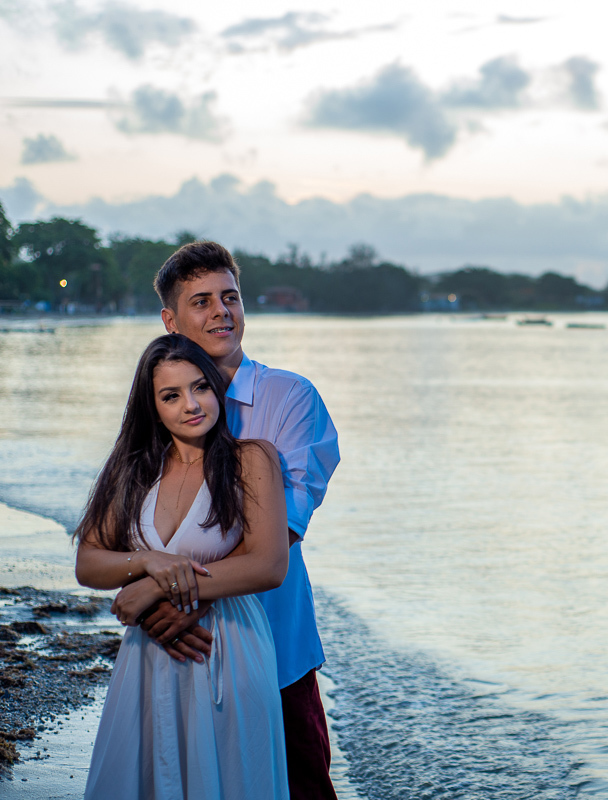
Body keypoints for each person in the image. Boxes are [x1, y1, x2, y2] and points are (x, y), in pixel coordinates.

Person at [139, 241, 341, 799]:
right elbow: (137, 520)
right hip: (181, 650)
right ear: (170, 320)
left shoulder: (290, 398)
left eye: (230, 297)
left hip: (275, 646)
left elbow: (286, 527)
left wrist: (182, 596)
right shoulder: (157, 406)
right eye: (200, 301)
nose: (220, 312)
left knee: (299, 786)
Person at [75, 334, 290, 797]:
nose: (191, 405)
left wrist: (154, 588)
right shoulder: (133, 469)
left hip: (228, 649)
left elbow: (269, 565)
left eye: (201, 388)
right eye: (171, 395)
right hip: (148, 655)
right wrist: (150, 562)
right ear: (152, 408)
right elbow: (89, 563)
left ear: (216, 389)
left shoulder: (250, 458)